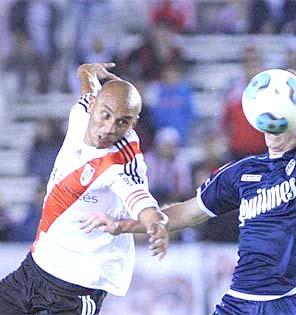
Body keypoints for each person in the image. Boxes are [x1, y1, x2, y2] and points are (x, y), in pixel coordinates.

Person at [81, 69, 296, 315]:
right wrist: (125, 224)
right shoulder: (241, 173)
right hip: (239, 301)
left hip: (291, 301)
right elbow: (187, 212)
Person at [0, 63, 169, 315]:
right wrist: (86, 71)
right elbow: (88, 85)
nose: (110, 128)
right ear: (93, 106)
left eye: (123, 122)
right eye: (106, 114)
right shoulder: (80, 112)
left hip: (76, 288)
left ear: (133, 124)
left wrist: (154, 221)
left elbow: (140, 198)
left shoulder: (121, 162)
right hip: (35, 268)